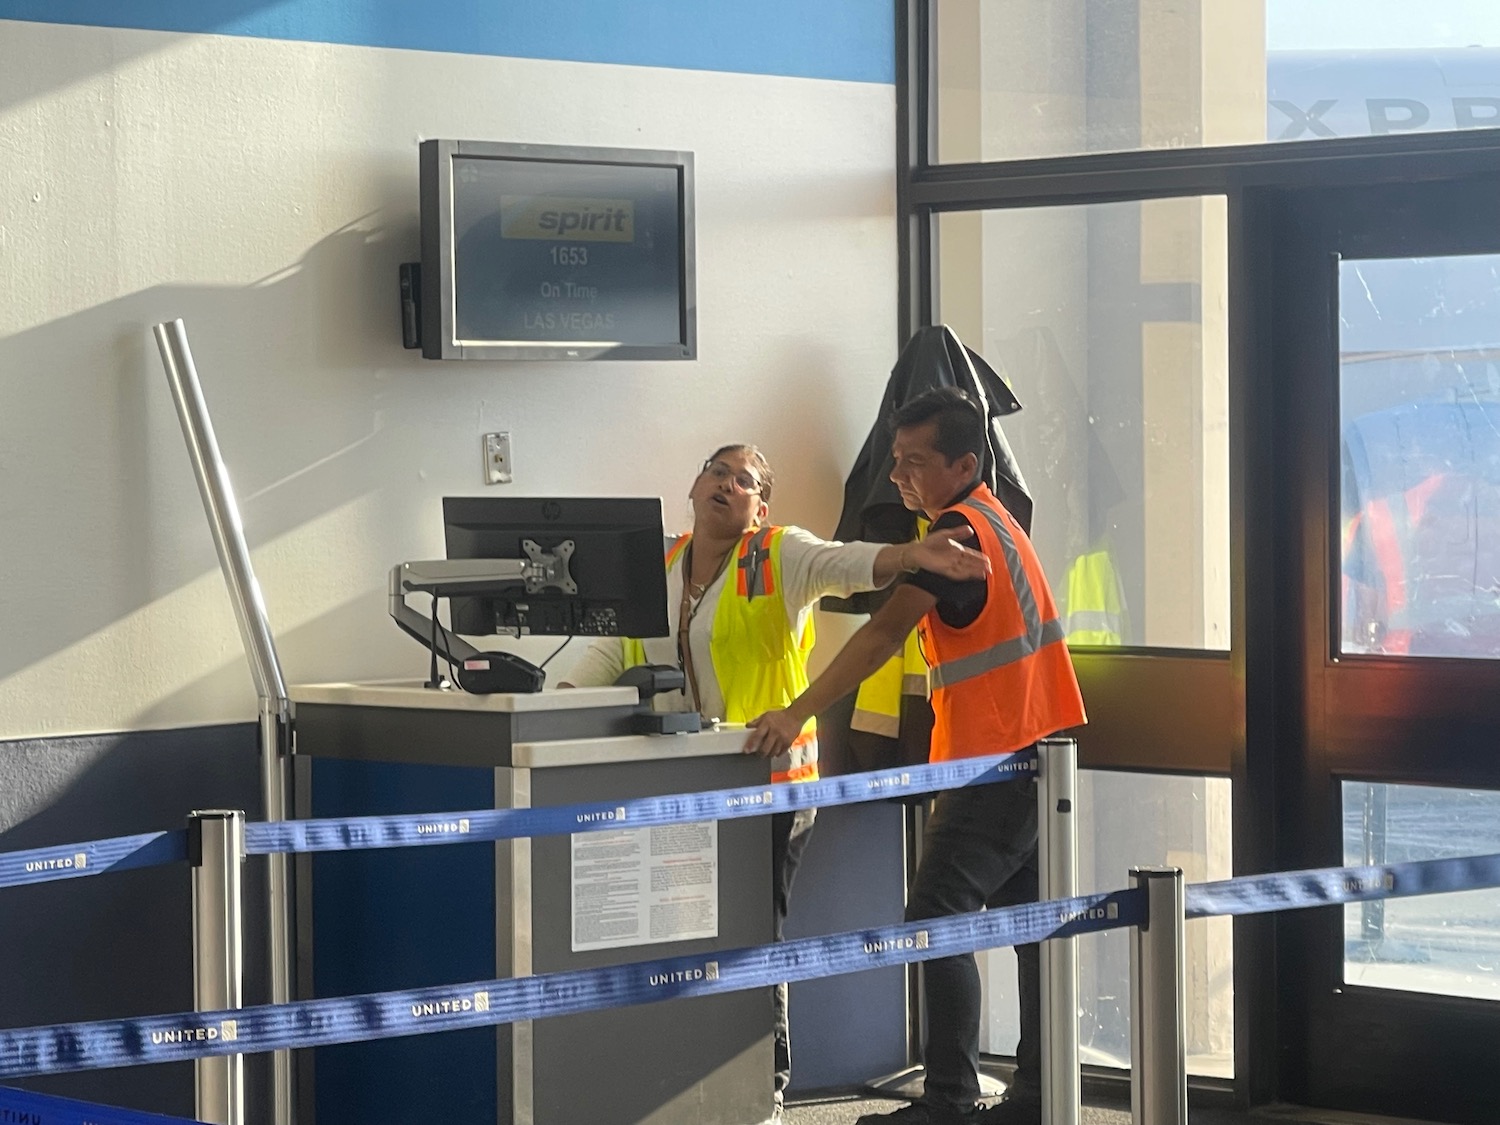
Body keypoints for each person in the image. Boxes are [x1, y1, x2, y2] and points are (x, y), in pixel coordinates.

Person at [563, 443, 989, 1113]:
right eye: (717, 470)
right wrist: (555, 700)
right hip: (683, 788)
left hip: (771, 786)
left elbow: (843, 562)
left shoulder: (776, 554)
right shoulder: (662, 564)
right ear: (694, 482)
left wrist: (909, 556)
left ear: (760, 506)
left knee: (753, 934)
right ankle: (691, 1081)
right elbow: (611, 647)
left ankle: (766, 1086)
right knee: (684, 935)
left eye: (746, 480)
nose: (727, 484)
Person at [743, 389, 1086, 1125]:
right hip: (1037, 749)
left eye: (914, 462)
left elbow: (879, 637)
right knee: (1028, 924)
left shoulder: (956, 538)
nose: (897, 476)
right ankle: (1037, 1095)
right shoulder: (994, 518)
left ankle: (949, 1100)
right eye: (894, 460)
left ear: (964, 463)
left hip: (997, 758)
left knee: (936, 914)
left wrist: (797, 711)